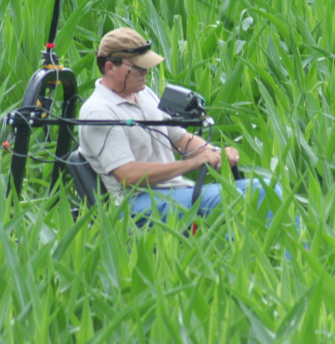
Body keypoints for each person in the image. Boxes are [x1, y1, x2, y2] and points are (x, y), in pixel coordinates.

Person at [77, 27, 283, 226]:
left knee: (268, 190)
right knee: (239, 201)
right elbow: (127, 175)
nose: (146, 72)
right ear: (110, 68)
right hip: (136, 203)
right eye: (137, 68)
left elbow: (180, 139)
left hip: (175, 191)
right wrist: (192, 164)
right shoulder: (98, 112)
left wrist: (213, 152)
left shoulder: (143, 93)